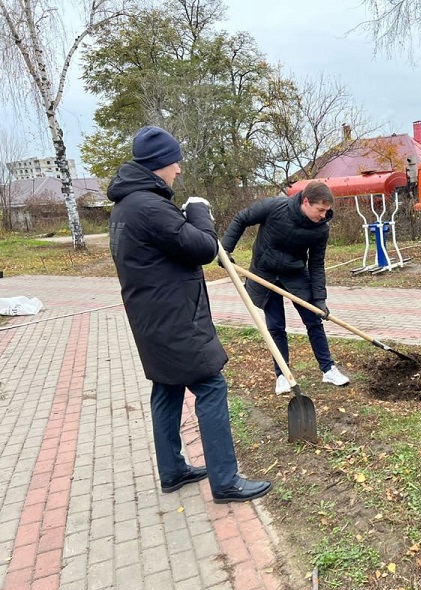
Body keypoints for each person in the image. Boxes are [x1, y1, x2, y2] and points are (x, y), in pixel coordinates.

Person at [107, 125, 272, 503]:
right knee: (210, 385)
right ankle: (226, 481)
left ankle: (172, 470)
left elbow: (171, 245)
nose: (178, 169)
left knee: (166, 387)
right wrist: (199, 212)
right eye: (174, 161)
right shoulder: (148, 206)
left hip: (150, 318)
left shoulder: (127, 205)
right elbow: (200, 247)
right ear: (158, 164)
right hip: (176, 318)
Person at [220, 182, 349, 395]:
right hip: (265, 274)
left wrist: (319, 299)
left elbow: (316, 264)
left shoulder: (320, 229)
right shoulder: (275, 207)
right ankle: (282, 375)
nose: (324, 215)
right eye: (320, 210)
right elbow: (242, 218)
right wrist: (225, 250)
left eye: (327, 211)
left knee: (314, 321)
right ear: (306, 202)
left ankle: (328, 369)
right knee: (276, 326)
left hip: (295, 275)